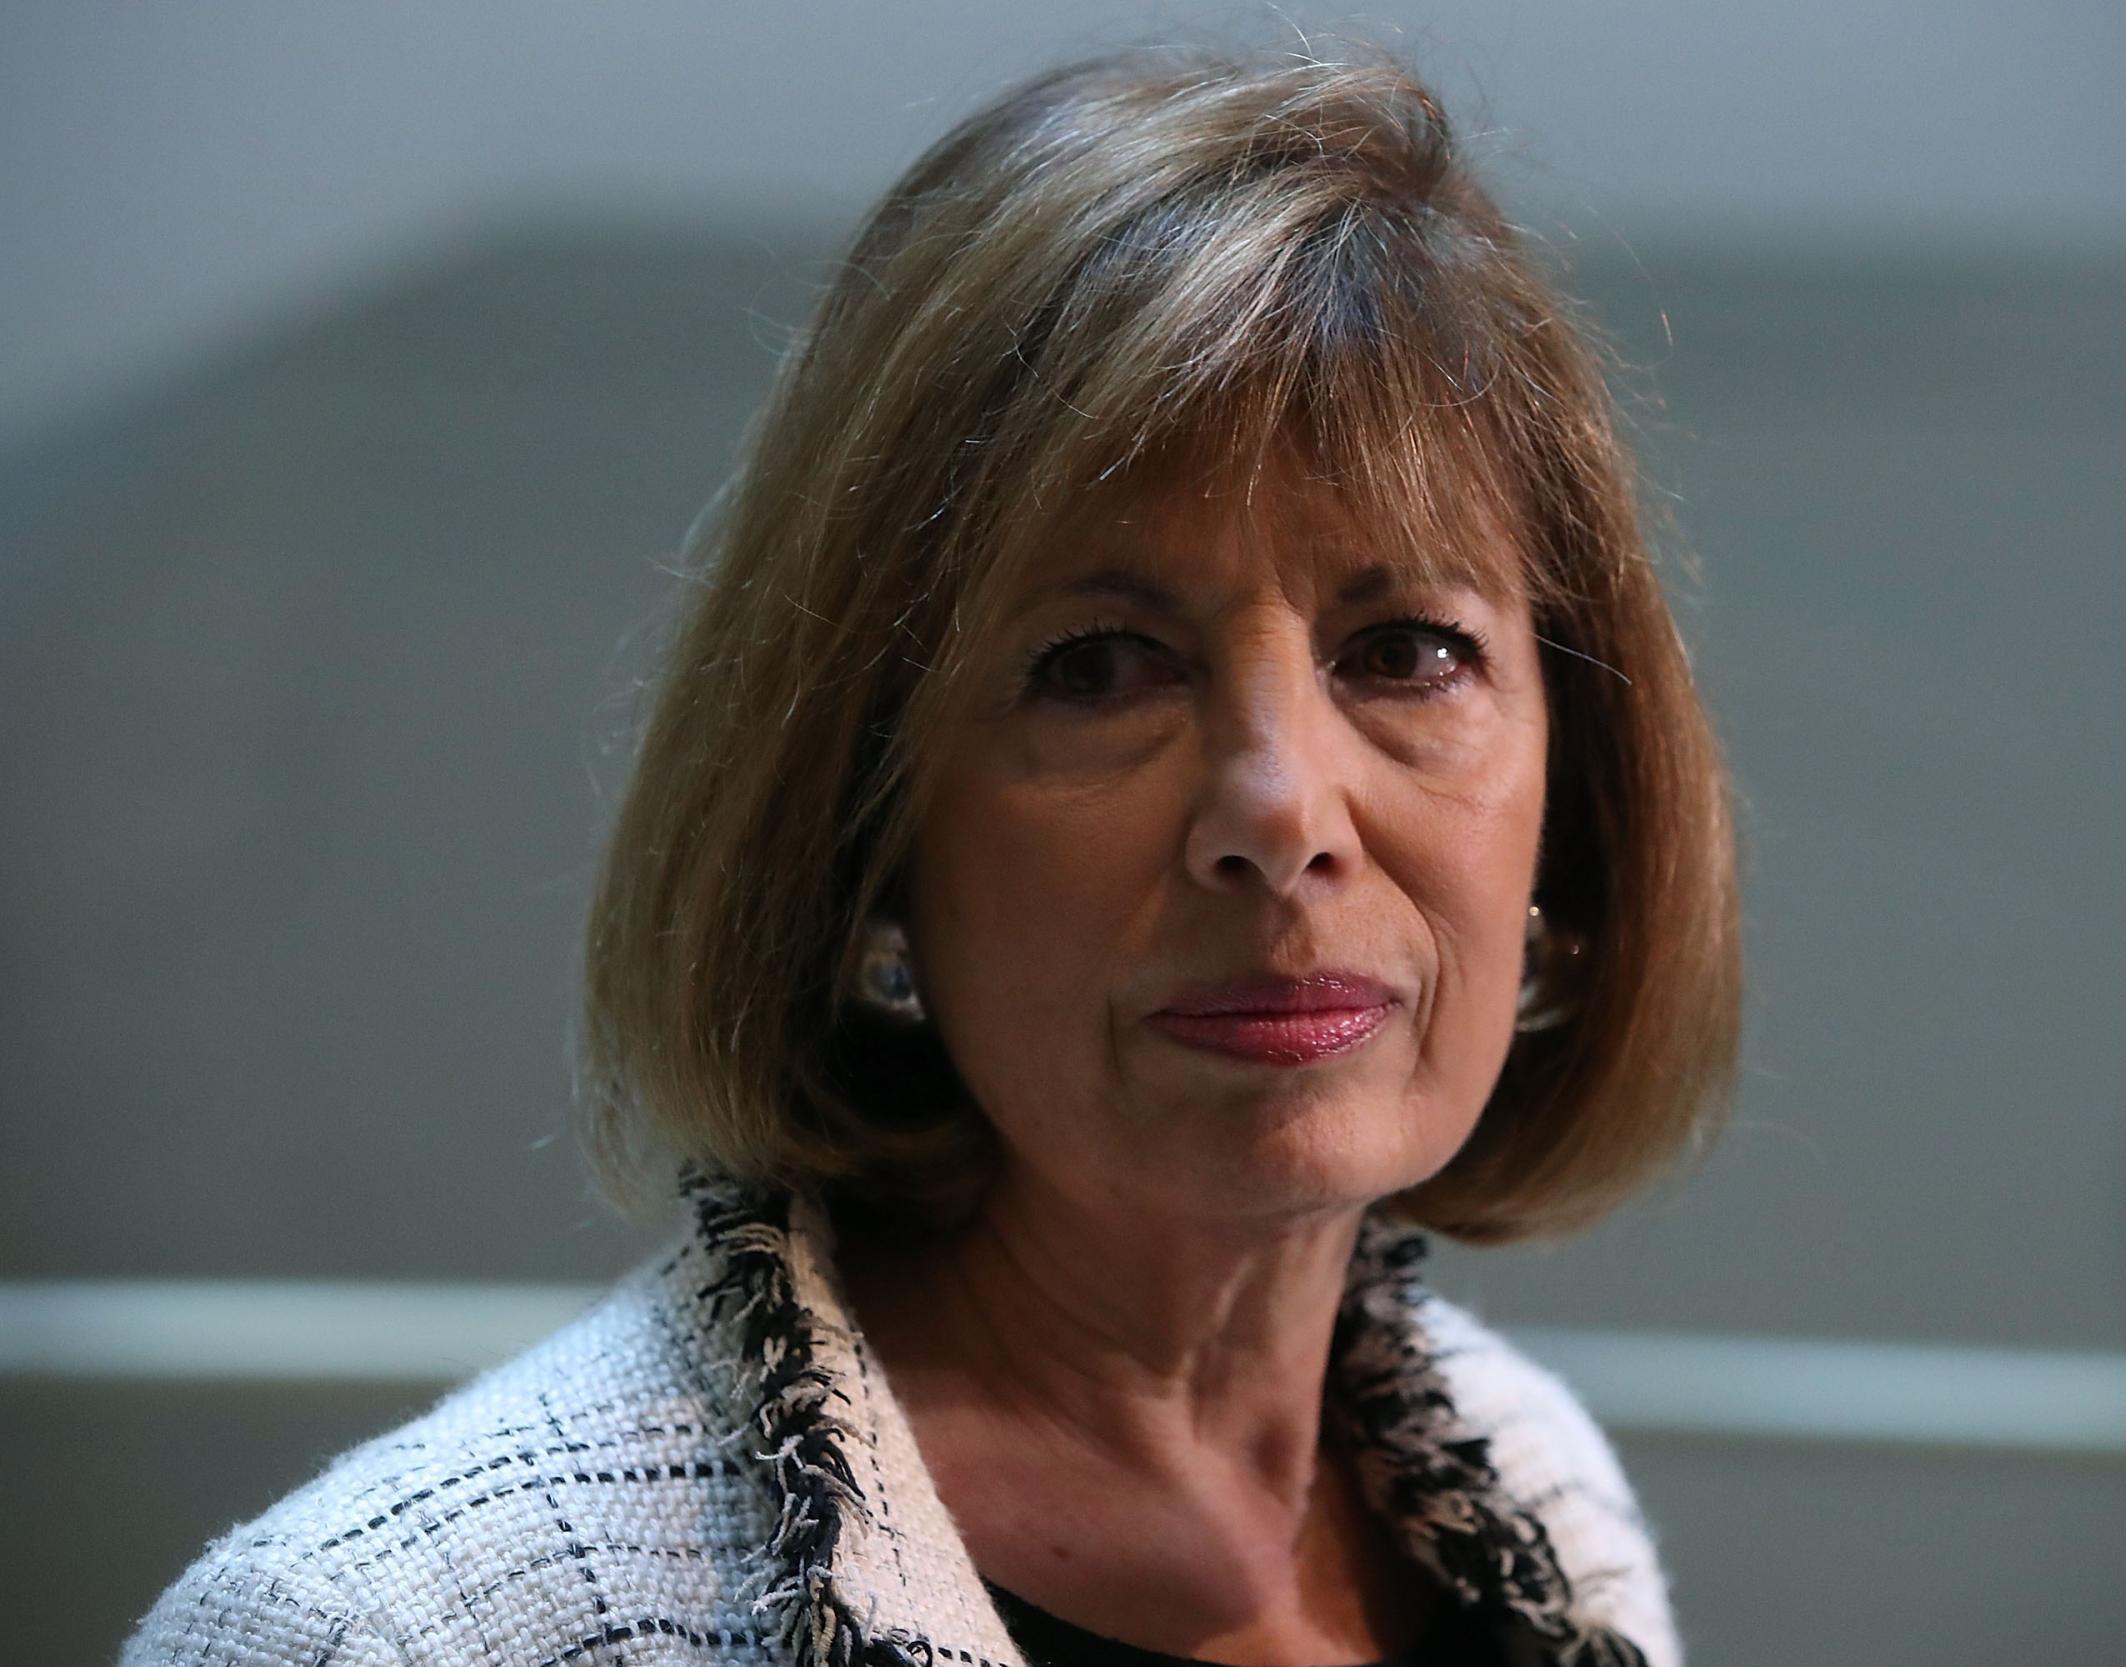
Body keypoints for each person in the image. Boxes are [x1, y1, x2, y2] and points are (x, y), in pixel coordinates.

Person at [124, 39, 1741, 1667]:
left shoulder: (1544, 1505)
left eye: (1403, 651)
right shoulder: (377, 1633)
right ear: (866, 830)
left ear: (1578, 803)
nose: (1281, 819)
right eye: (1098, 666)